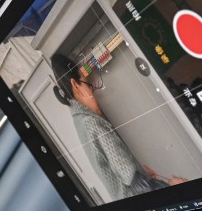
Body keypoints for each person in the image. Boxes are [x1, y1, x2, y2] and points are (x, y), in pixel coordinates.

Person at [50, 52, 186, 201]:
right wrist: (173, 187)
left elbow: (123, 173)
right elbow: (140, 189)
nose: (94, 90)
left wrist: (140, 172)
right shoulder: (92, 123)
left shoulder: (80, 121)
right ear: (76, 86)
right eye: (88, 85)